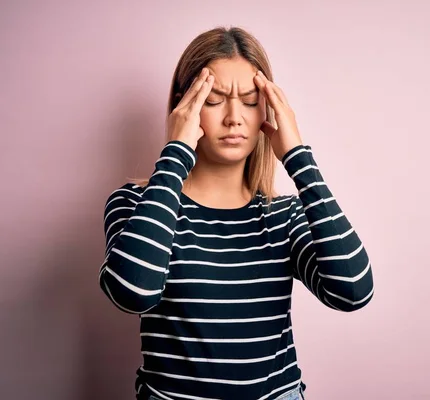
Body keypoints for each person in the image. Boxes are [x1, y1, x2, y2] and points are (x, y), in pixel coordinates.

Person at [99, 26, 375, 400]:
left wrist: (298, 157)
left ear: (268, 108)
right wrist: (176, 149)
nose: (234, 118)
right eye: (213, 100)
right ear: (186, 106)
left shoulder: (283, 216)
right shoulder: (137, 204)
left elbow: (353, 291)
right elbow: (131, 292)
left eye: (249, 100)